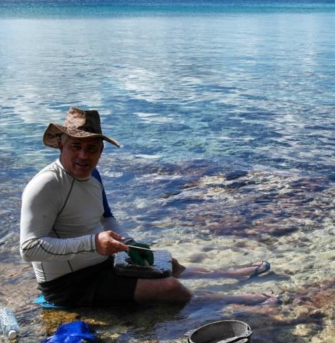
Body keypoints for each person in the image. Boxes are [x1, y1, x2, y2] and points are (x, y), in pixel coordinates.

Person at [19, 106, 271, 307]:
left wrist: (129, 242)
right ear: (61, 144)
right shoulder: (46, 184)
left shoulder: (92, 175)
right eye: (76, 146)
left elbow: (107, 218)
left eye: (91, 148)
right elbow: (29, 250)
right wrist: (94, 244)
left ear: (101, 150)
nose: (84, 156)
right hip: (67, 285)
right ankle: (234, 301)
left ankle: (230, 275)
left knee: (168, 264)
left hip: (100, 263)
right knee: (170, 288)